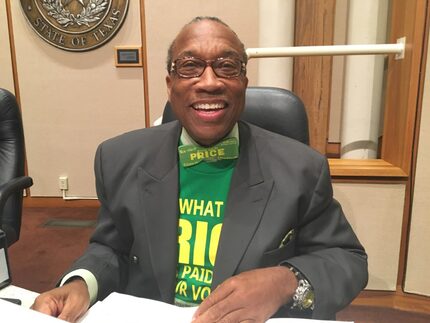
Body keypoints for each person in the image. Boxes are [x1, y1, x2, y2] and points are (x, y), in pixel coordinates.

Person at [32, 16, 368, 322]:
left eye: (226, 66)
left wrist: (285, 281)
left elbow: (347, 260)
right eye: (190, 66)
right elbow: (111, 248)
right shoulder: (119, 158)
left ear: (244, 81)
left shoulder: (301, 169)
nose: (209, 82)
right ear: (170, 84)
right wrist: (81, 283)